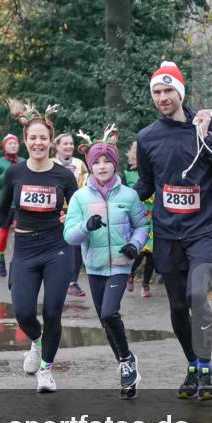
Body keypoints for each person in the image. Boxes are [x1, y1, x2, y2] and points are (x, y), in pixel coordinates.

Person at [135, 61, 212, 399]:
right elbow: (147, 185)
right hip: (167, 232)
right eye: (157, 92)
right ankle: (193, 364)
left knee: (197, 294)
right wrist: (111, 200)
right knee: (178, 306)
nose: (163, 97)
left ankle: (206, 369)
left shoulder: (206, 126)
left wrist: (206, 135)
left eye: (168, 91)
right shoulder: (147, 137)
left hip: (205, 230)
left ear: (180, 92)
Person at [0, 101, 78, 392]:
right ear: (25, 141)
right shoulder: (15, 173)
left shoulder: (64, 176)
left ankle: (46, 369)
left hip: (57, 247)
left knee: (54, 312)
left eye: (43, 137)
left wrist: (72, 213)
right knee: (22, 312)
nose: (38, 142)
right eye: (33, 137)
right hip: (25, 249)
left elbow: (79, 206)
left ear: (50, 141)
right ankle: (37, 340)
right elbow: (3, 208)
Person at [64, 137, 149, 398]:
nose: (102, 166)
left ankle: (125, 359)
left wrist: (135, 245)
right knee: (104, 319)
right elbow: (69, 235)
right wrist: (85, 226)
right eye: (97, 162)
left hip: (121, 265)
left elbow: (142, 226)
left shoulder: (129, 195)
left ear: (114, 165)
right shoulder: (79, 198)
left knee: (110, 312)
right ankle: (126, 363)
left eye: (107, 161)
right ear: (90, 166)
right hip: (95, 266)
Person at [53, 132, 89, 297]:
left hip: (75, 209)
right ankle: (55, 278)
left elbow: (86, 185)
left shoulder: (79, 164)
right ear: (57, 146)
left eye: (71, 143)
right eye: (65, 143)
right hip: (53, 210)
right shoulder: (50, 163)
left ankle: (73, 282)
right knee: (57, 245)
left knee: (75, 245)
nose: (68, 146)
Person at [123, 140, 155, 297]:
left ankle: (146, 284)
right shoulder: (128, 174)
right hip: (138, 220)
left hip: (154, 219)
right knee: (140, 251)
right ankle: (130, 274)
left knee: (152, 254)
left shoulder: (155, 173)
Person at [0, 133, 20, 277]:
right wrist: (7, 173)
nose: (13, 145)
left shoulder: (24, 161)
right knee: (3, 233)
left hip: (21, 204)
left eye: (15, 143)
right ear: (4, 146)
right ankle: (1, 260)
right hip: (6, 204)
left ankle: (19, 261)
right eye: (10, 143)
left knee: (21, 233)